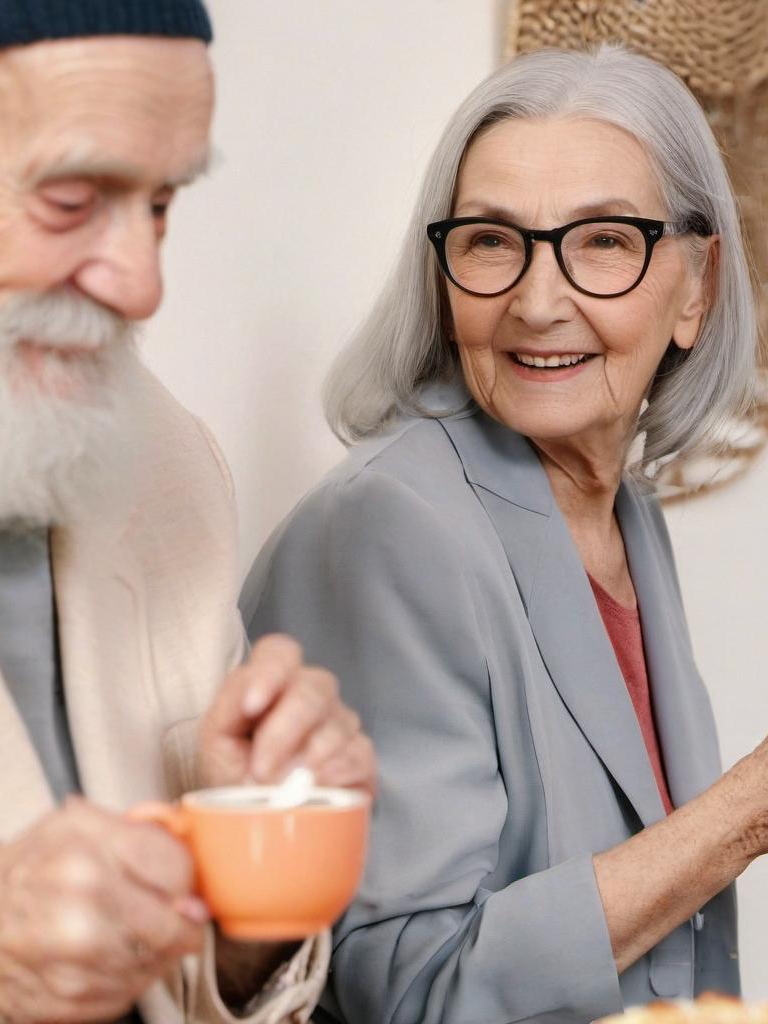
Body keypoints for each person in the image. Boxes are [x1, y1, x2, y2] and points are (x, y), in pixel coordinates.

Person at [241, 44, 764, 1024]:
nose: (535, 299)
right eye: (491, 241)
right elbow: (409, 989)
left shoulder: (626, 515)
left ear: (696, 286)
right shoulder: (388, 530)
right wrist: (744, 812)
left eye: (604, 240)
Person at [0, 3, 375, 1024]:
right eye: (73, 198)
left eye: (161, 203)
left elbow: (205, 997)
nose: (144, 285)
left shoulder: (167, 463)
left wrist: (255, 863)